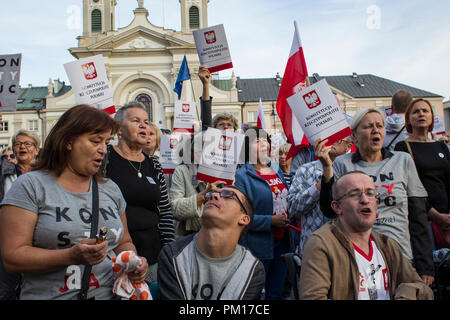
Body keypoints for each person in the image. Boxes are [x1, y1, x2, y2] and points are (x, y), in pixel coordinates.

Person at [0, 105, 148, 300]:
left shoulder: (110, 189)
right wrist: (69, 256)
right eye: (96, 141)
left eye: (106, 142)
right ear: (68, 141)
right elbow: (13, 257)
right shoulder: (30, 186)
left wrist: (134, 262)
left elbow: (123, 242)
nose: (103, 149)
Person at [319, 107, 435, 285]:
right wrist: (327, 169)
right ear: (355, 136)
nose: (376, 130)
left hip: (400, 256)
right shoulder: (343, 164)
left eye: (380, 126)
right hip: (358, 261)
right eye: (368, 126)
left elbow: (418, 214)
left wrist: (425, 265)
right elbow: (329, 210)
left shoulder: (402, 160)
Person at [299, 171, 434, 300]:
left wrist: (407, 292)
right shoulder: (322, 243)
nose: (365, 200)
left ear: (376, 203)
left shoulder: (386, 244)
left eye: (370, 193)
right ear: (337, 207)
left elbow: (424, 290)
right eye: (354, 194)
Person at [103, 101, 175, 284]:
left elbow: (164, 209)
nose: (144, 125)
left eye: (146, 121)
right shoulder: (105, 158)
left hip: (152, 256)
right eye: (136, 120)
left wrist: (167, 249)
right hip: (114, 255)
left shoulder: (153, 164)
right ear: (119, 128)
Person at [157, 185, 265, 300]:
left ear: (244, 219)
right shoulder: (173, 256)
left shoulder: (252, 271)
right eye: (210, 194)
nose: (213, 195)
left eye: (228, 195)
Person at [169, 66, 238, 237]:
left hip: (222, 231)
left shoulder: (232, 162)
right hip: (190, 233)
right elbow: (175, 208)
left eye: (230, 125)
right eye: (201, 145)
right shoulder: (183, 171)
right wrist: (202, 196)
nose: (206, 147)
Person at [234, 127, 296, 300]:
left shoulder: (276, 170)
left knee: (276, 292)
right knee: (253, 293)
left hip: (284, 242)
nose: (263, 144)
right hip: (258, 245)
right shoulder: (242, 176)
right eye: (257, 141)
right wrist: (270, 221)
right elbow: (239, 216)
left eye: (265, 140)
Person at [394, 98, 450, 249]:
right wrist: (436, 215)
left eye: (425, 111)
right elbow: (407, 187)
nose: (421, 114)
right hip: (423, 219)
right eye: (416, 111)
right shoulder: (403, 147)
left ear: (432, 117)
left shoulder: (441, 146)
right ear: (409, 119)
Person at [288, 137, 353, 259]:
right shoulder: (306, 170)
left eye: (338, 139)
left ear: (348, 147)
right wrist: (318, 188)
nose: (332, 142)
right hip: (312, 251)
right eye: (329, 138)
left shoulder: (353, 171)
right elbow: (293, 208)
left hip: (346, 251)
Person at [0, 130, 40, 201]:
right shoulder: (4, 172)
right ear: (13, 150)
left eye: (28, 144)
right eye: (18, 144)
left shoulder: (45, 172)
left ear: (37, 150)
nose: (22, 146)